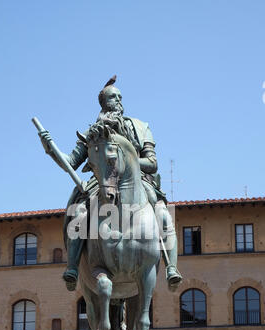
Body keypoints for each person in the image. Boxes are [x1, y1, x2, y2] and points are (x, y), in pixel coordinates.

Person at [39, 76, 182, 291]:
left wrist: (130, 162)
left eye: (119, 97)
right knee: (79, 211)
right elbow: (70, 162)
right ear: (103, 103)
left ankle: (172, 267)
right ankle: (72, 267)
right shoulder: (92, 133)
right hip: (102, 182)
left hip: (138, 182)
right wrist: (51, 149)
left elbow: (152, 163)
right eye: (112, 97)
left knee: (162, 212)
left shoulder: (140, 127)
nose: (118, 101)